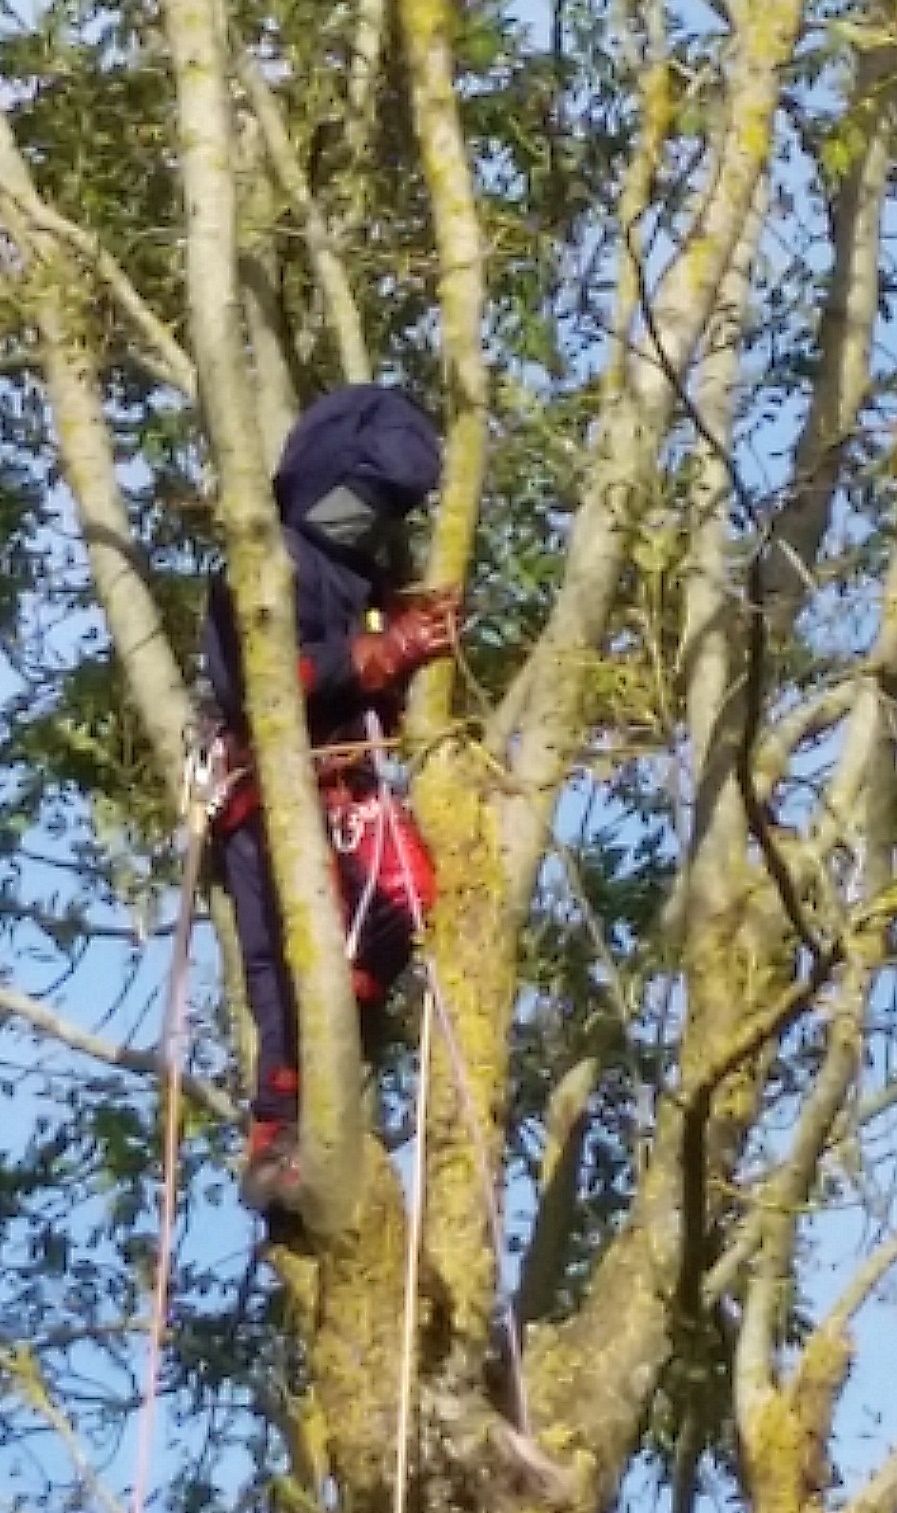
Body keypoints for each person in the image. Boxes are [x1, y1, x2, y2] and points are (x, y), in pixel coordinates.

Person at [201, 385, 459, 1215]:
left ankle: (341, 1027)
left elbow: (375, 678)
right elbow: (268, 678)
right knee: (279, 966)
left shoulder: (368, 578)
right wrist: (376, 653)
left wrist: (412, 638)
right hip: (270, 791)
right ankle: (276, 1134)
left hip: (344, 786)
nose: (364, 520)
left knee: (404, 897)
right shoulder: (266, 562)